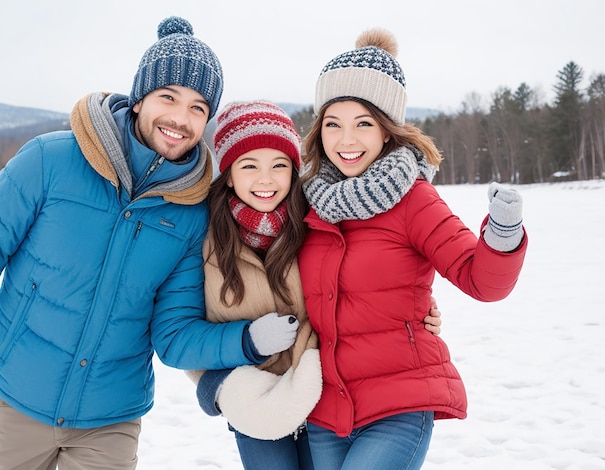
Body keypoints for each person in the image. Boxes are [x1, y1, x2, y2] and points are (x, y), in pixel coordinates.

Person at [0, 17, 299, 470]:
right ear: (140, 99)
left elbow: (174, 336)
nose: (181, 118)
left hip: (109, 421)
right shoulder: (50, 161)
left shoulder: (191, 212)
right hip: (12, 399)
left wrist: (248, 339)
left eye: (199, 107)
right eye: (168, 97)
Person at [297, 28, 528, 469]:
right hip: (327, 410)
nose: (347, 140)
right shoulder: (307, 202)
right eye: (333, 124)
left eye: (363, 124)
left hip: (398, 403)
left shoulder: (413, 199)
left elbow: (479, 279)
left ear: (387, 132)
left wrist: (502, 233)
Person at [187, 100, 444, 470]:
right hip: (255, 401)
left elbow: (367, 278)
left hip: (324, 395)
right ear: (227, 174)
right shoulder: (202, 237)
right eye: (249, 166)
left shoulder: (317, 220)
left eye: (279, 165)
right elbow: (180, 330)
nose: (266, 179)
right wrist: (219, 382)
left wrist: (418, 311)